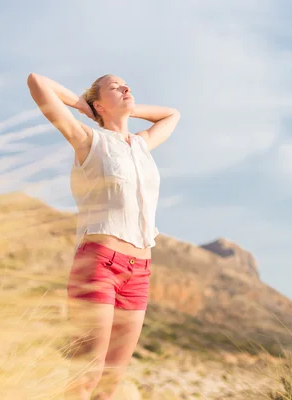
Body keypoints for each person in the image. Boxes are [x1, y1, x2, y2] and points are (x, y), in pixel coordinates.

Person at [26, 72, 180, 399]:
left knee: (111, 382)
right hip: (99, 267)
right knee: (86, 375)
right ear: (99, 103)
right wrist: (84, 108)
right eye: (116, 87)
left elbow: (172, 114)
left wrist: (126, 109)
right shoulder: (87, 139)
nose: (127, 88)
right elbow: (37, 82)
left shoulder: (141, 144)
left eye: (128, 85)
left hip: (139, 272)